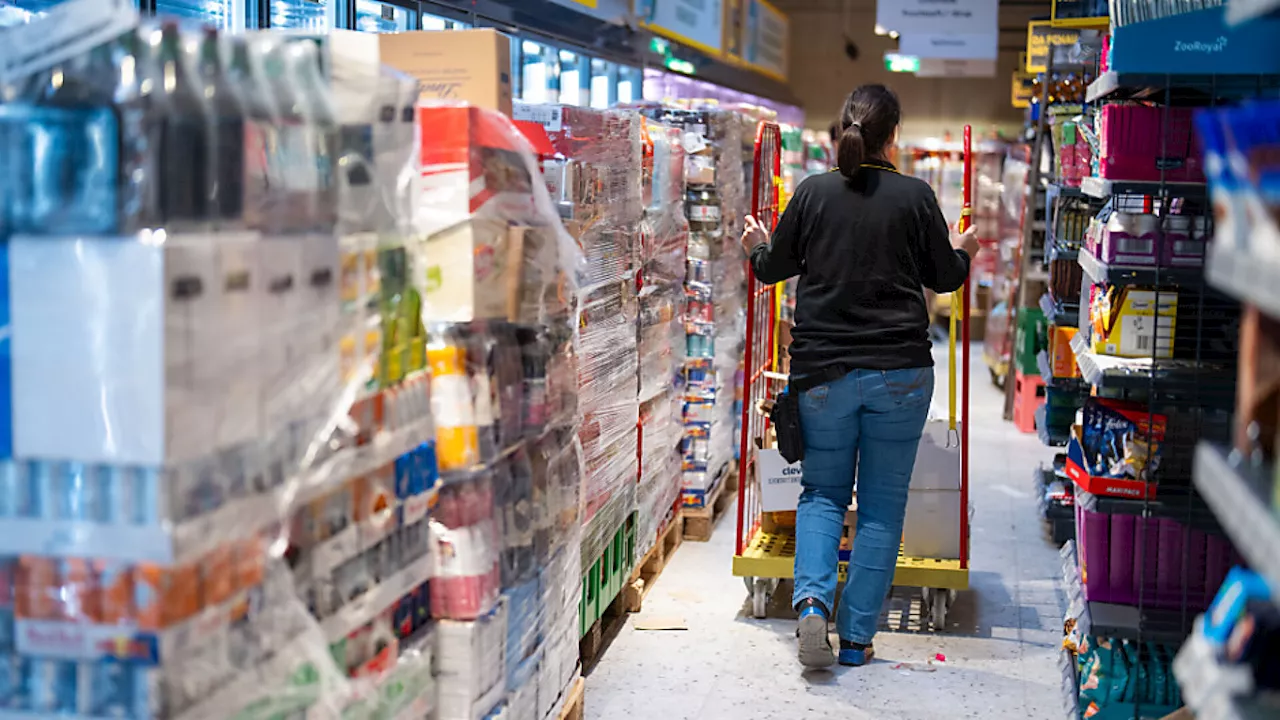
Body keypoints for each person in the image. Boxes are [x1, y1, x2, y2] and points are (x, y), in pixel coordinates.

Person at [740, 84, 980, 669]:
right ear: (893, 136)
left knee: (821, 492)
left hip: (822, 373)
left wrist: (755, 246)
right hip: (900, 373)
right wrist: (964, 249)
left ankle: (813, 606)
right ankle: (855, 641)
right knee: (880, 505)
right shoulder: (916, 197)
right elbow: (946, 278)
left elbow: (773, 269)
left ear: (843, 130)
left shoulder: (812, 193)